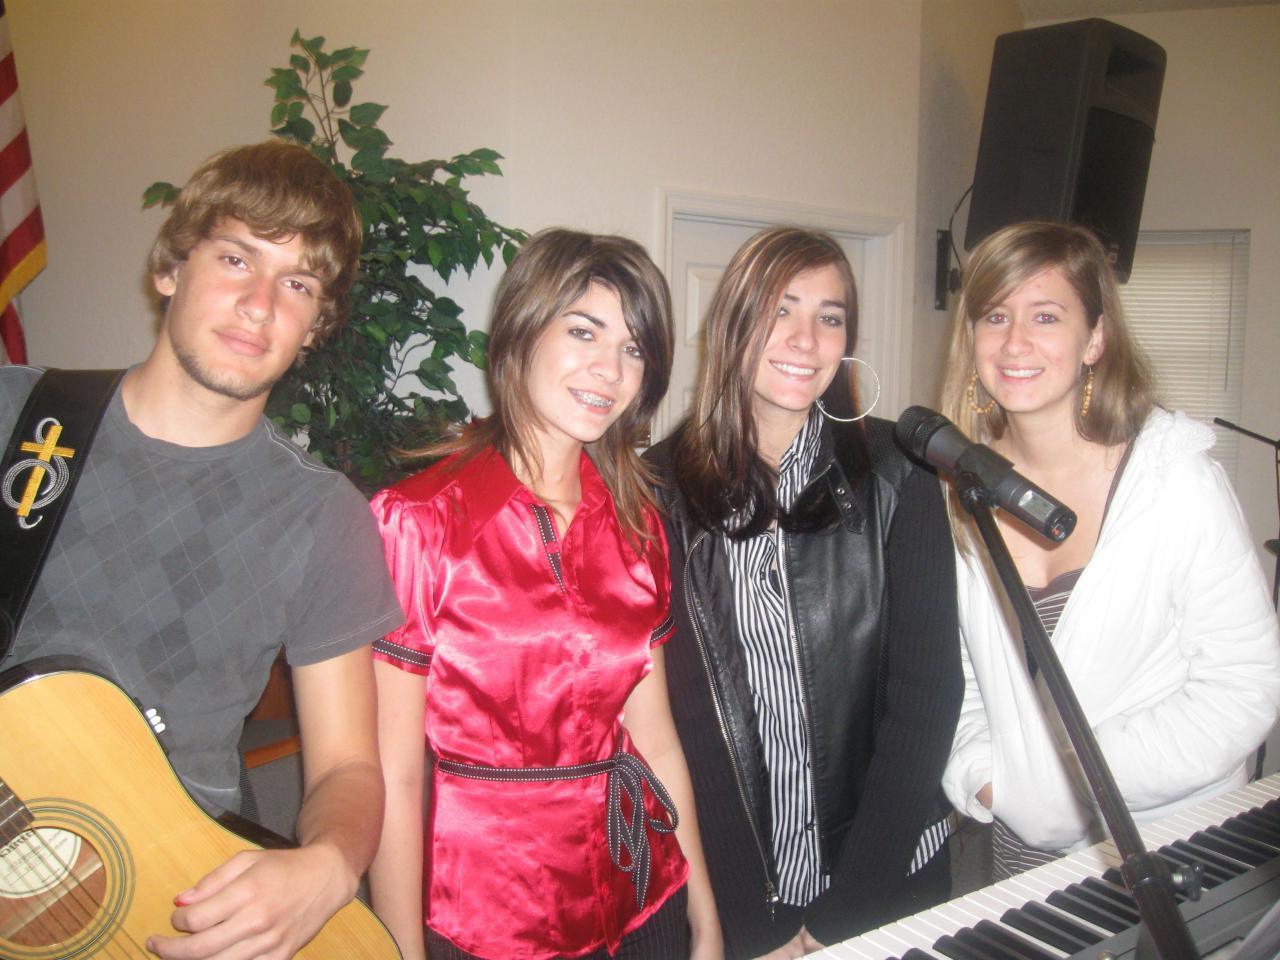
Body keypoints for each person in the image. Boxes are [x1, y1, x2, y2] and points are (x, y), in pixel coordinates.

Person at [0, 141, 404, 957]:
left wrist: (327, 865)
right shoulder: (16, 415)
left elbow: (346, 771)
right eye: (234, 258)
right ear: (170, 269)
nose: (259, 304)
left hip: (168, 898)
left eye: (297, 284)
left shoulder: (322, 517)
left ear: (316, 325)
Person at [367, 228, 721, 960]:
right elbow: (394, 777)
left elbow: (654, 737)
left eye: (633, 348)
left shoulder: (639, 524)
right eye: (584, 332)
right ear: (522, 333)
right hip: (487, 915)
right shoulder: (422, 522)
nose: (610, 370)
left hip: (638, 882)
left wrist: (705, 917)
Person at [646, 226, 962, 958]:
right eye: (781, 309)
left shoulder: (898, 475)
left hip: (886, 883)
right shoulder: (658, 491)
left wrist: (839, 921)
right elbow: (679, 720)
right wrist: (741, 921)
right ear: (733, 322)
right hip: (741, 896)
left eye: (830, 316)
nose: (805, 338)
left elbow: (926, 700)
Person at [939, 220, 1280, 878]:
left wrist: (1073, 778)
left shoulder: (1172, 479)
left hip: (1174, 848)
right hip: (1023, 856)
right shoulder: (956, 491)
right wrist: (990, 781)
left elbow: (1243, 686)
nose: (1015, 343)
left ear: (1095, 338)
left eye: (1045, 316)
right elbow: (961, 686)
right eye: (994, 316)